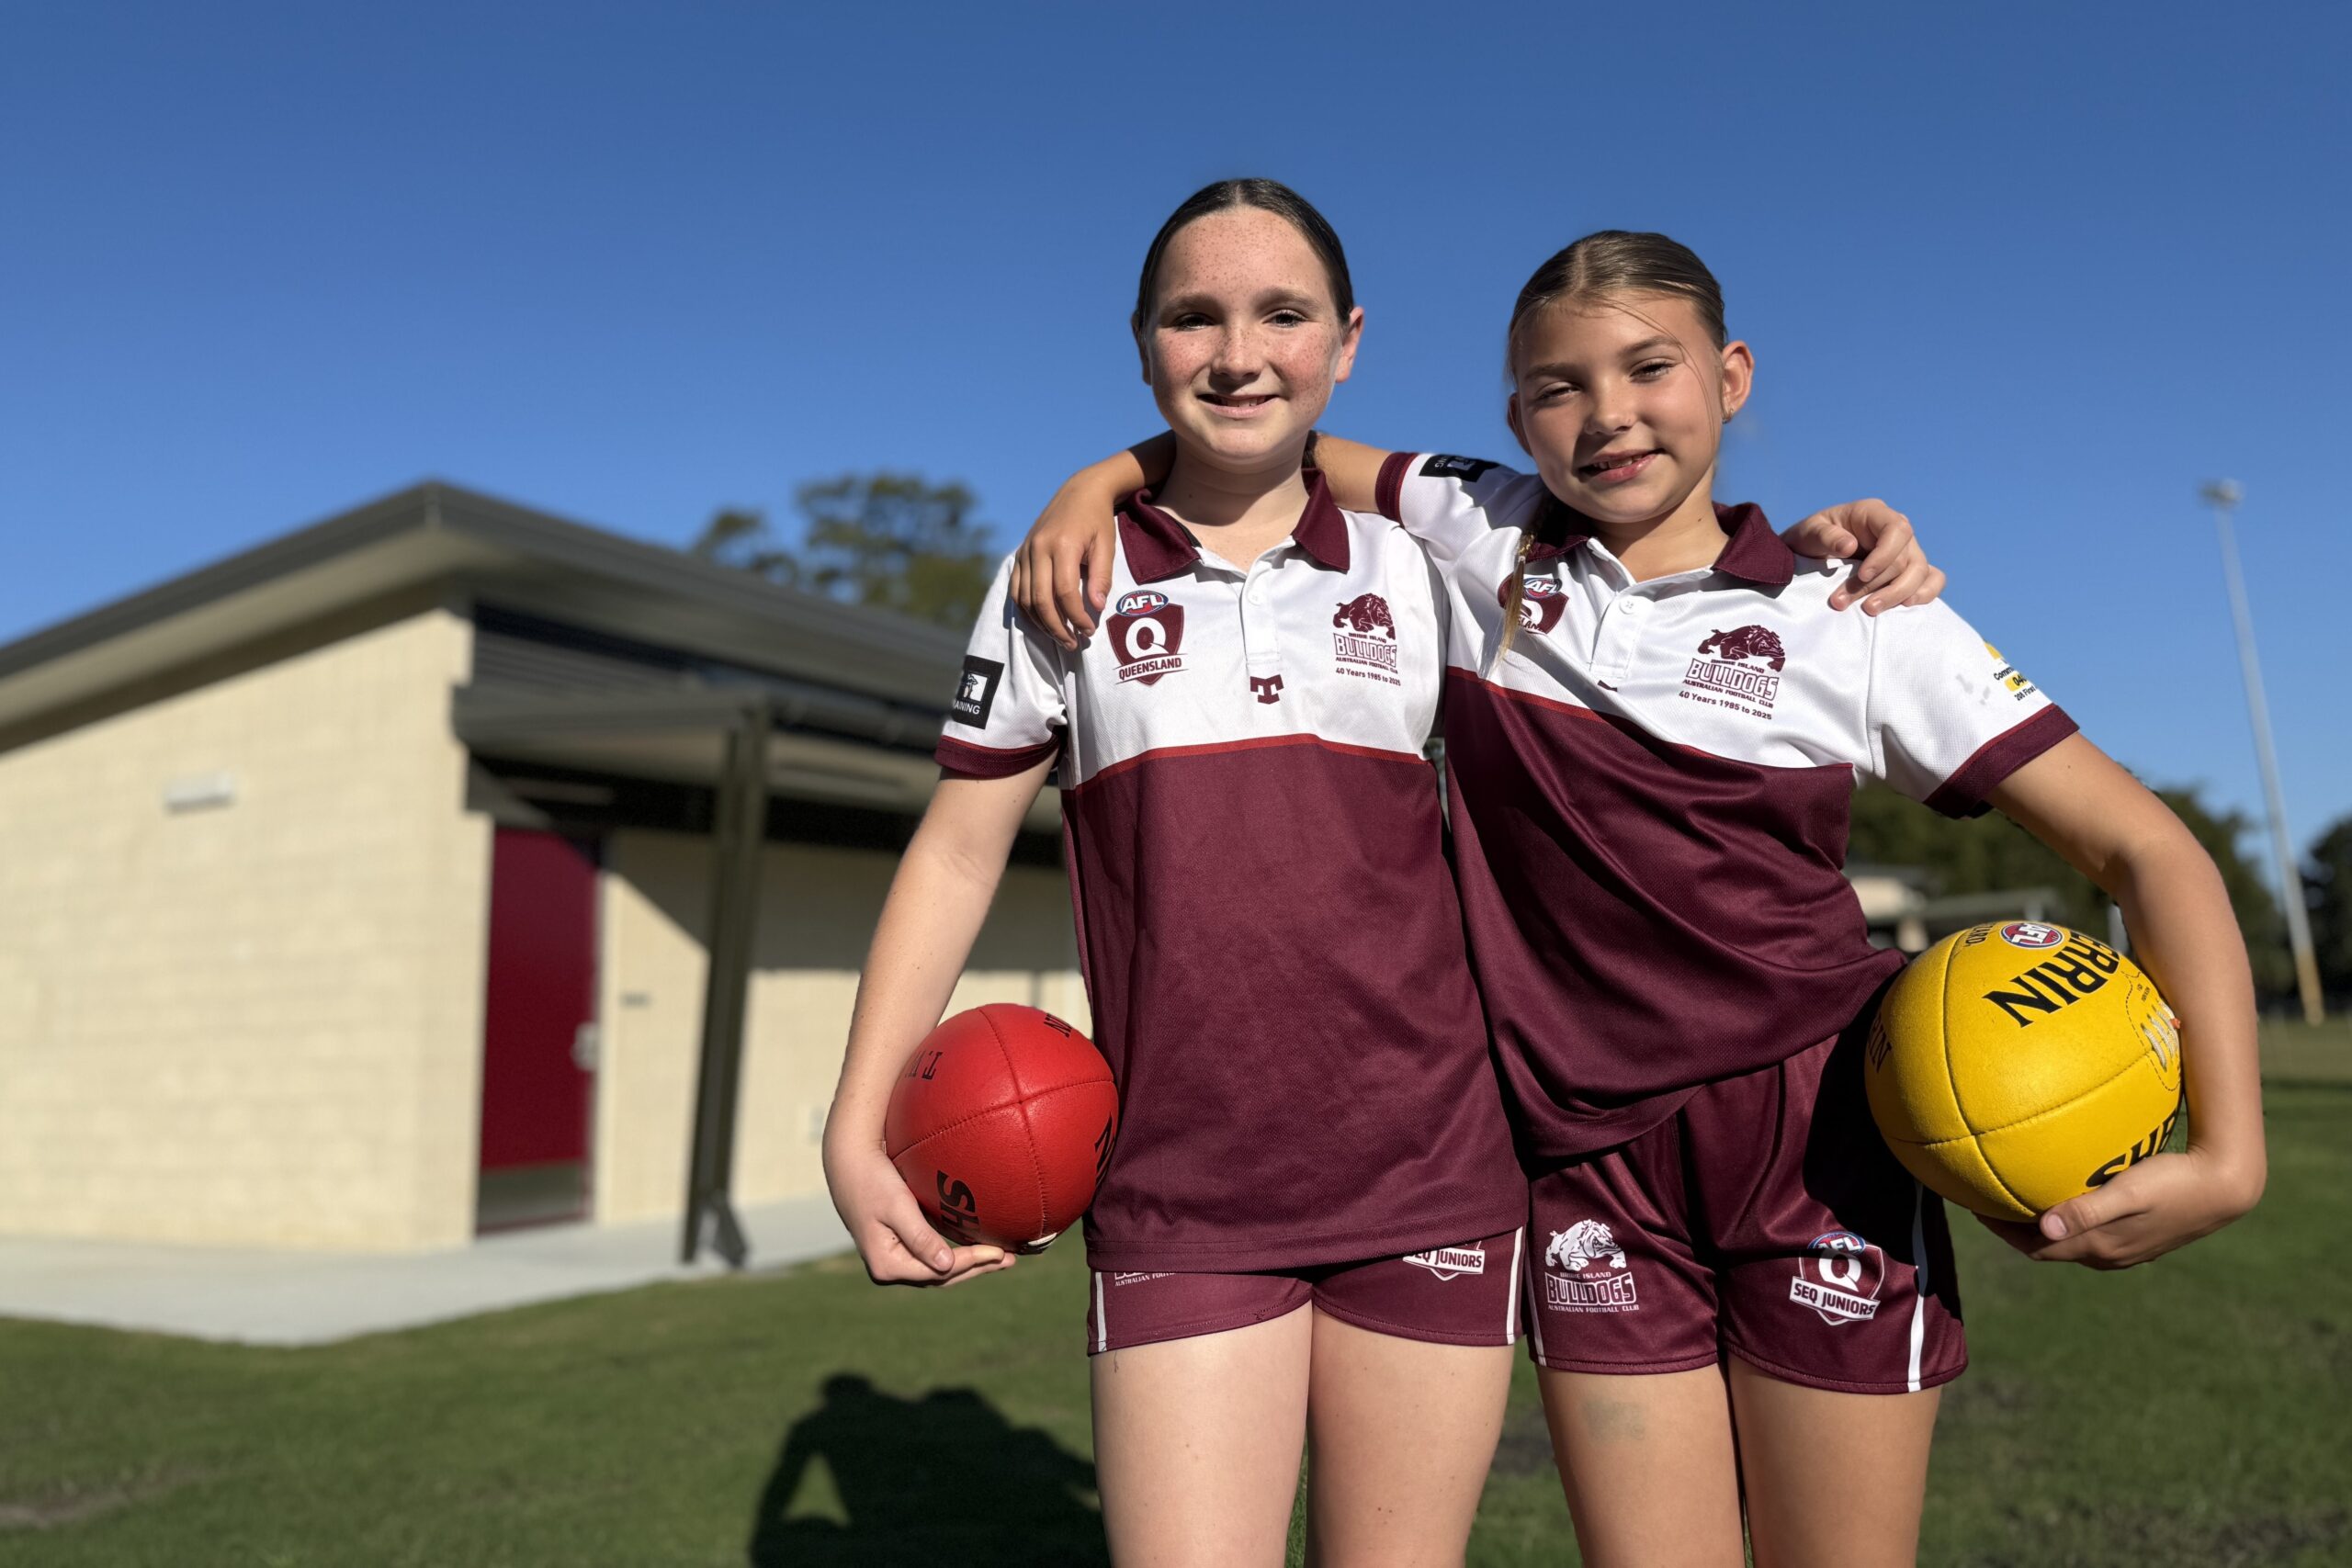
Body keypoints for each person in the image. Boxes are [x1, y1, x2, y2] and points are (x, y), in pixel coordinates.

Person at [1019, 230, 2267, 1568]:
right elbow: (1268, 424)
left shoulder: (1855, 612)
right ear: (1514, 419)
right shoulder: (1481, 527)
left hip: (1822, 1155)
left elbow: (2152, 852)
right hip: (1586, 1170)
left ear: (1731, 376)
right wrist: (1092, 485)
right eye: (1558, 388)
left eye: (1650, 368)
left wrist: (2233, 1153)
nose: (1608, 414)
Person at [827, 184, 1938, 1568]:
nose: (1239, 352)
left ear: (1345, 341)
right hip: (1181, 1193)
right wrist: (857, 1116)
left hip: (1435, 1180)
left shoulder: (1446, 556)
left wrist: (1841, 543)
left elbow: (1662, 545)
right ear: (1142, 344)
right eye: (1195, 317)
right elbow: (956, 847)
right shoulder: (1066, 572)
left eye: (1282, 314)